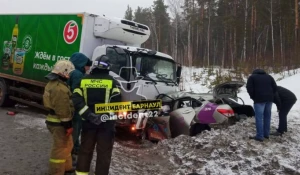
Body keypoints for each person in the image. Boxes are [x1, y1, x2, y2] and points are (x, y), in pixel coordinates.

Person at [72, 55, 121, 175]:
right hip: (106, 126)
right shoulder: (113, 82)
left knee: (85, 151)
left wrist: (89, 115)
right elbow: (116, 104)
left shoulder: (83, 80)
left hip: (88, 124)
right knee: (104, 154)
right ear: (108, 67)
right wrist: (103, 116)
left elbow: (76, 99)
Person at [43, 60, 76, 175]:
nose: (70, 75)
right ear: (64, 72)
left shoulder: (54, 83)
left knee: (68, 144)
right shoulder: (60, 89)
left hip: (55, 121)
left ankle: (66, 167)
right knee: (59, 148)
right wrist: (68, 126)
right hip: (59, 123)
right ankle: (56, 172)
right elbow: (63, 110)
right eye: (69, 73)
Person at [67, 52, 92, 157]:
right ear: (81, 64)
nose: (88, 68)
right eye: (87, 66)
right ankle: (70, 152)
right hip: (75, 108)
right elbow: (77, 92)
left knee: (76, 129)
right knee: (75, 129)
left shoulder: (74, 72)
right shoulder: (77, 74)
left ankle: (75, 148)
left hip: (73, 106)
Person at [246, 69, 277, 142]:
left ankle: (260, 136)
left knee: (259, 118)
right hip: (269, 99)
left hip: (259, 100)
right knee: (267, 117)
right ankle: (266, 134)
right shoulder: (269, 77)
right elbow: (275, 87)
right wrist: (271, 95)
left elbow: (249, 88)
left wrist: (253, 97)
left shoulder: (252, 77)